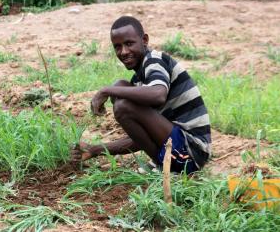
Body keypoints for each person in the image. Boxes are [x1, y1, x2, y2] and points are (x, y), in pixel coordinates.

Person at [72, 16, 211, 174]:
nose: (123, 52)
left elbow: (158, 95)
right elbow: (141, 139)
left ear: (144, 40)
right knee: (121, 88)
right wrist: (94, 150)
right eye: (117, 47)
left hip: (191, 154)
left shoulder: (155, 61)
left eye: (129, 43)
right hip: (181, 149)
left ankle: (165, 167)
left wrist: (106, 90)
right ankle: (161, 162)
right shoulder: (139, 77)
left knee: (122, 101)